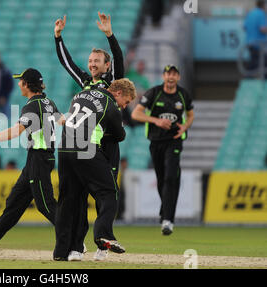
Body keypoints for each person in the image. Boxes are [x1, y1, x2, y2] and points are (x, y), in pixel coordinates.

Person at [0, 68, 62, 256]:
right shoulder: (48, 102)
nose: (19, 84)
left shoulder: (32, 105)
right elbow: (61, 120)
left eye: (21, 81)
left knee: (45, 204)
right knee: (14, 202)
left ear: (27, 84)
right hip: (39, 157)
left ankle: (74, 241)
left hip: (39, 157)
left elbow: (16, 131)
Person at [54, 12, 125, 261]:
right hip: (84, 144)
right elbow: (68, 63)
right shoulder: (85, 82)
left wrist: (109, 34)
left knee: (105, 195)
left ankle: (102, 246)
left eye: (97, 61)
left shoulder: (113, 83)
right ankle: (75, 246)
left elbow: (118, 57)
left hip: (108, 144)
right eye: (91, 60)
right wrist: (58, 37)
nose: (92, 64)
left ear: (106, 66)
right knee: (78, 196)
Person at [53, 78, 136, 261]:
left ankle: (61, 252)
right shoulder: (110, 104)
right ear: (119, 93)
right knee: (110, 192)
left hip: (64, 149)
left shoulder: (80, 94)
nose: (124, 106)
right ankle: (103, 234)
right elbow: (120, 135)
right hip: (86, 148)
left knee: (67, 201)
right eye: (127, 101)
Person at [131, 64, 194, 235]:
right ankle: (165, 210)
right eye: (168, 74)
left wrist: (185, 127)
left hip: (174, 141)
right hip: (156, 141)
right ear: (163, 76)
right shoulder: (154, 93)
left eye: (174, 74)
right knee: (161, 179)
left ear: (178, 77)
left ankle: (168, 220)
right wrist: (156, 121)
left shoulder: (183, 94)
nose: (171, 77)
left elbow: (190, 114)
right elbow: (136, 114)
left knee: (171, 177)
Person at [244, 0, 267, 74]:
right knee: (260, 64)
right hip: (258, 44)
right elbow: (262, 29)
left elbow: (244, 27)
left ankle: (247, 79)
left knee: (255, 62)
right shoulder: (261, 14)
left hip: (250, 42)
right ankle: (248, 79)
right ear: (263, 5)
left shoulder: (251, 13)